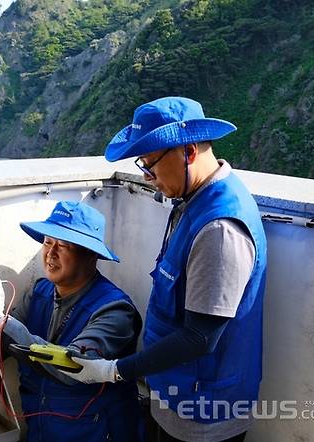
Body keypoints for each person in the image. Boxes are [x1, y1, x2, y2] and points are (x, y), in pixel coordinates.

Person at [61, 97, 267, 442]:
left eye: (150, 165)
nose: (148, 178)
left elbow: (199, 337)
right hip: (174, 394)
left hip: (201, 413)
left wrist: (115, 371)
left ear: (187, 152)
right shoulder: (191, 201)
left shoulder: (219, 230)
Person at [0, 200, 143, 442]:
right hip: (41, 432)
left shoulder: (115, 311)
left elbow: (74, 367)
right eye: (48, 242)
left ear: (91, 254)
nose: (50, 254)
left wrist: (1, 321)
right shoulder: (38, 292)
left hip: (95, 434)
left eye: (63, 245)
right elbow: (0, 345)